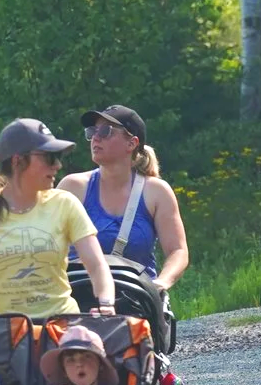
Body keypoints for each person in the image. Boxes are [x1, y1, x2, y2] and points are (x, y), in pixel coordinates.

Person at [0, 119, 118, 321]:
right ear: (17, 161)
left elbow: (97, 266)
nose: (58, 165)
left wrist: (106, 303)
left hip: (62, 328)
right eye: (49, 157)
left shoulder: (65, 204)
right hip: (2, 332)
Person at [60, 103, 191, 293]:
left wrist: (161, 284)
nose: (95, 137)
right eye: (92, 131)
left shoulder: (156, 191)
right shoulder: (72, 187)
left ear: (132, 143)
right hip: (80, 299)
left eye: (106, 131)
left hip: (136, 299)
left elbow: (178, 250)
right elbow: (48, 247)